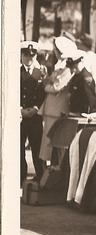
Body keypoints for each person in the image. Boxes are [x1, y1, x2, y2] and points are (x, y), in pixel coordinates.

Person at [38, 36, 76, 166]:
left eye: (56, 50)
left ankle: (51, 171)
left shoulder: (67, 69)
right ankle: (47, 169)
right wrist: (46, 78)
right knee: (47, 143)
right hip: (52, 109)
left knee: (51, 143)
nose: (55, 52)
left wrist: (45, 86)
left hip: (57, 109)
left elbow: (56, 88)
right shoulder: (60, 67)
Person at [21, 41, 47, 184]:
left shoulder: (41, 72)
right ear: (21, 55)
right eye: (26, 55)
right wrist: (20, 110)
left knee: (37, 148)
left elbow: (44, 94)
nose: (29, 59)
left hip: (35, 116)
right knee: (19, 149)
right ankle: (21, 177)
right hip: (20, 115)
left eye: (32, 56)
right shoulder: (15, 71)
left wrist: (36, 108)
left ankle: (40, 177)